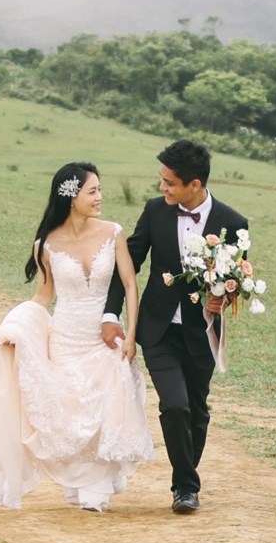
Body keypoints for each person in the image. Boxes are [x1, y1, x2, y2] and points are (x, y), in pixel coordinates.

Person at [0, 162, 155, 511]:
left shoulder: (113, 232)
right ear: (72, 196)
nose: (100, 197)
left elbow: (131, 284)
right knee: (73, 412)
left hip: (104, 337)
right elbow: (43, 296)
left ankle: (95, 492)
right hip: (66, 337)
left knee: (107, 407)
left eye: (100, 190)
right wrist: (16, 327)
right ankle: (82, 486)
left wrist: (130, 335)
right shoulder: (45, 244)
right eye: (93, 191)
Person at [103, 139, 250, 515]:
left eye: (170, 182)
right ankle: (185, 486)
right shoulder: (155, 212)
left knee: (198, 410)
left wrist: (224, 298)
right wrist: (110, 314)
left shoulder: (234, 223)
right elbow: (128, 266)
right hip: (158, 328)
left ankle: (186, 479)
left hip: (202, 331)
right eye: (162, 181)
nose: (162, 188)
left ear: (195, 185)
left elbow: (234, 280)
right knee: (176, 405)